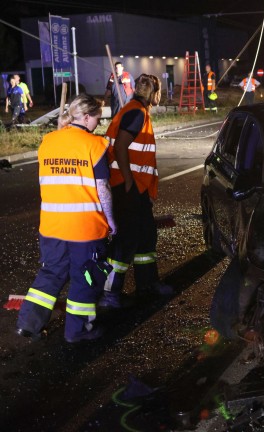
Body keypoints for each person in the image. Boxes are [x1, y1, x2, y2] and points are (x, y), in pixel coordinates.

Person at [16, 94, 116, 343]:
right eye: (96, 118)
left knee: (51, 273)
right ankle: (77, 331)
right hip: (84, 228)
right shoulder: (96, 145)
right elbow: (103, 189)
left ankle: (28, 324)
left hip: (51, 225)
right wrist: (111, 221)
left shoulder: (48, 141)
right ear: (85, 117)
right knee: (85, 278)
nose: (98, 123)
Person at [98, 74, 172, 308]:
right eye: (160, 92)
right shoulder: (137, 113)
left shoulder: (136, 110)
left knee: (146, 235)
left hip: (134, 188)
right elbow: (120, 145)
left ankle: (147, 284)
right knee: (126, 240)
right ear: (154, 93)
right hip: (128, 187)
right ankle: (110, 294)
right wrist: (129, 181)